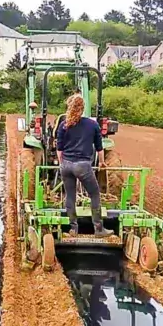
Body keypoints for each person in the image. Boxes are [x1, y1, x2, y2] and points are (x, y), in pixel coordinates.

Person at [56, 92, 114, 238]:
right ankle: (99, 229)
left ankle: (73, 229)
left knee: (70, 195)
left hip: (66, 165)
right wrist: (101, 162)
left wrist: (62, 164)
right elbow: (99, 148)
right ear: (82, 108)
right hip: (82, 166)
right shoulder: (92, 124)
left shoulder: (63, 125)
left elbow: (59, 149)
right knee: (94, 194)